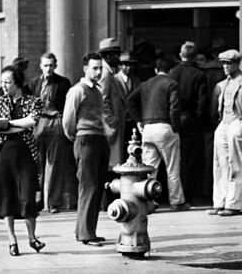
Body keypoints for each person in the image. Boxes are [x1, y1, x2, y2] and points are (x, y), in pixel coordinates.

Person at [0, 65, 44, 256]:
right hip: (3, 153)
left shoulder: (33, 101)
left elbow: (31, 122)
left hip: (25, 153)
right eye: (2, 82)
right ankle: (12, 240)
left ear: (18, 83)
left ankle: (32, 237)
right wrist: (13, 125)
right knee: (6, 197)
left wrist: (7, 124)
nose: (4, 86)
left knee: (28, 196)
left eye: (8, 82)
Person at [62, 52, 113, 246]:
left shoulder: (98, 91)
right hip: (85, 140)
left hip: (99, 140)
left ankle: (86, 230)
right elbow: (68, 120)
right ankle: (85, 234)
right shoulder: (78, 91)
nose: (98, 72)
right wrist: (76, 137)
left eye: (101, 68)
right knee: (88, 186)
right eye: (95, 68)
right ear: (85, 69)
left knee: (97, 187)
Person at [130, 56, 188, 211]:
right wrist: (175, 127)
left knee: (150, 168)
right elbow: (174, 108)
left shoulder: (145, 84)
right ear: (170, 70)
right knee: (172, 168)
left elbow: (130, 100)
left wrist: (139, 120)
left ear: (156, 70)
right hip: (165, 127)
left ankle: (148, 201)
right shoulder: (171, 83)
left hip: (148, 128)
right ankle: (177, 201)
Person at [210, 49, 242, 216]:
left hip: (236, 123)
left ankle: (234, 204)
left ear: (237, 64)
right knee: (220, 164)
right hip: (223, 125)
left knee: (237, 164)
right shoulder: (223, 84)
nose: (225, 66)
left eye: (229, 63)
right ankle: (220, 201)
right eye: (223, 63)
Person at [28, 52, 76, 213]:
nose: (48, 69)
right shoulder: (34, 83)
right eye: (45, 65)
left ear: (55, 66)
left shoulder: (63, 83)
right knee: (37, 163)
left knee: (55, 164)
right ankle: (38, 200)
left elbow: (67, 105)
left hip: (55, 122)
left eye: (51, 65)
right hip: (38, 123)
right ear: (40, 66)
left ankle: (53, 202)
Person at [169, 41, 210, 205]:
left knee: (175, 159)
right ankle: (188, 195)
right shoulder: (199, 75)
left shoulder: (172, 73)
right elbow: (202, 103)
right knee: (190, 159)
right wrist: (199, 120)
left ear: (181, 55)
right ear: (194, 57)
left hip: (174, 119)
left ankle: (174, 195)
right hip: (191, 121)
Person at [97, 38, 129, 166]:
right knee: (111, 163)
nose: (119, 59)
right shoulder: (105, 74)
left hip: (112, 128)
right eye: (116, 55)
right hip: (110, 129)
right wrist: (112, 121)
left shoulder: (109, 73)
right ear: (108, 56)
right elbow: (102, 100)